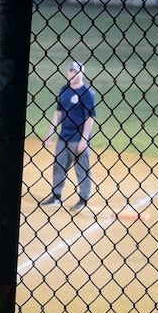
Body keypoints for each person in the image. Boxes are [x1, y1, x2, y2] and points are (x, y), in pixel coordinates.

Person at [44, 60, 97, 209]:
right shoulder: (64, 90)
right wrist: (50, 133)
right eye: (70, 71)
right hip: (64, 137)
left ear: (81, 74)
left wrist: (84, 140)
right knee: (59, 166)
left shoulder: (87, 93)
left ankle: (83, 199)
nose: (72, 74)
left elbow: (90, 118)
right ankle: (56, 196)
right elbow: (58, 112)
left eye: (75, 71)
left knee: (82, 169)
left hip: (78, 138)